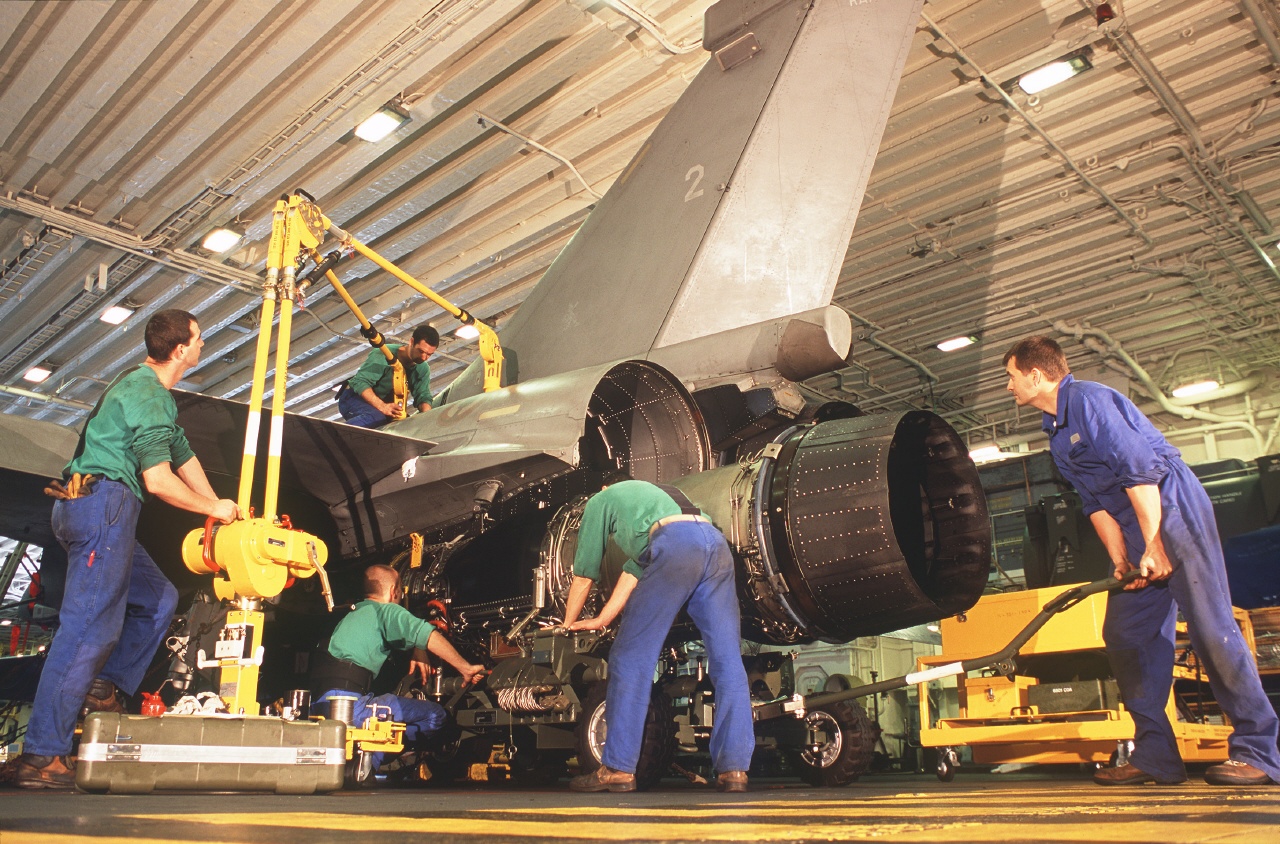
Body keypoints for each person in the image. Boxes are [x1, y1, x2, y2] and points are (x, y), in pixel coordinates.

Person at [1003, 335, 1280, 786]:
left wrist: (1154, 542)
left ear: (1036, 374)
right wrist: (1121, 558)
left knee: (1211, 629)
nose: (1008, 386)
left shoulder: (1092, 401)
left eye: (1011, 376)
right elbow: (1094, 504)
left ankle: (1261, 752)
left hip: (1170, 507)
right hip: (1134, 521)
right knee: (1126, 634)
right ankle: (1156, 756)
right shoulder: (1054, 432)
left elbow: (1140, 471)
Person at [12, 310, 240, 789]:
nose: (203, 346)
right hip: (105, 507)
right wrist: (212, 511)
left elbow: (179, 454)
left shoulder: (140, 386)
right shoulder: (149, 394)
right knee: (88, 632)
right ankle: (42, 756)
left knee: (157, 600)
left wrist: (220, 507)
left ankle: (104, 685)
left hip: (97, 508)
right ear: (181, 350)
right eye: (200, 339)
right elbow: (159, 481)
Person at [563, 477, 754, 793]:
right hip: (715, 545)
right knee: (727, 661)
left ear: (603, 488)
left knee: (629, 658)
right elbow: (633, 572)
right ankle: (734, 770)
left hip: (676, 544)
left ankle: (617, 768)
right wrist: (602, 619)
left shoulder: (600, 500)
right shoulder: (657, 499)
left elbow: (584, 576)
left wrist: (567, 623)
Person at [310, 565, 485, 772]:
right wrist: (465, 668)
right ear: (394, 591)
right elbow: (427, 634)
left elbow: (405, 637)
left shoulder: (355, 613)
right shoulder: (387, 610)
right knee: (436, 716)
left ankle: (359, 763)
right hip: (353, 709)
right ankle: (368, 761)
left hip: (320, 708)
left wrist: (417, 648)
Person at [337, 325, 438, 428]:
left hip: (381, 407)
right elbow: (360, 383)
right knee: (375, 417)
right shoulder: (383, 353)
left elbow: (423, 395)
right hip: (353, 397)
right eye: (421, 351)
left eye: (429, 354)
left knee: (405, 427)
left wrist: (427, 418)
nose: (424, 357)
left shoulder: (423, 369)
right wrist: (382, 406)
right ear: (411, 341)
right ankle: (332, 435)